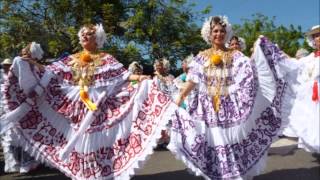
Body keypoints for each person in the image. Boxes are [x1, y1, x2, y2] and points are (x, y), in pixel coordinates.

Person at [0, 24, 180, 179]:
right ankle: (84, 175)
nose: (85, 35)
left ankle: (100, 173)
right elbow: (51, 72)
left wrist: (140, 78)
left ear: (98, 39)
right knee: (80, 141)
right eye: (83, 34)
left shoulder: (106, 58)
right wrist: (31, 64)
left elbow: (123, 76)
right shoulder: (72, 58)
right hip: (76, 103)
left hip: (100, 104)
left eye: (90, 34)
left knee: (96, 140)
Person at [167, 16, 292, 180]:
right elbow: (192, 81)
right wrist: (179, 98)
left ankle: (233, 175)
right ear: (209, 34)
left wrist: (259, 51)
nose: (219, 34)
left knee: (231, 144)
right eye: (216, 31)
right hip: (208, 109)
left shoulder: (235, 56)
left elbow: (251, 71)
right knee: (214, 145)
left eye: (222, 31)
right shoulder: (201, 58)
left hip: (231, 108)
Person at [283, 25, 320, 153]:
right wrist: (277, 53)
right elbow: (294, 64)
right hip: (313, 97)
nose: (318, 38)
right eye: (315, 36)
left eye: (319, 34)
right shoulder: (310, 58)